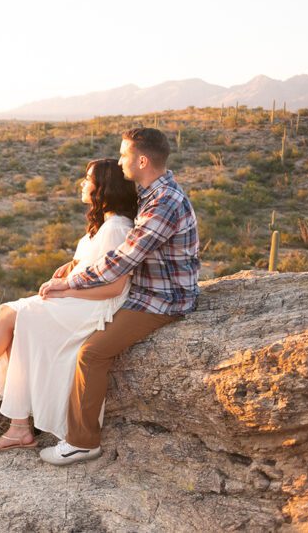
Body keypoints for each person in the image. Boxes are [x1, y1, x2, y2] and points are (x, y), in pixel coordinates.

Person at [0, 157, 138, 452]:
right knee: (14, 317)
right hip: (80, 299)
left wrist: (66, 291)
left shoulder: (117, 228)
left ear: (104, 187)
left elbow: (116, 286)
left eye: (88, 179)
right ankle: (18, 427)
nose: (83, 183)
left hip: (94, 308)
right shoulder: (104, 225)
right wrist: (71, 267)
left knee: (12, 314)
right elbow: (95, 265)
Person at [37, 127, 200, 466]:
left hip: (161, 300)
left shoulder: (164, 202)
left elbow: (123, 259)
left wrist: (71, 282)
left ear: (142, 160)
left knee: (91, 353)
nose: (121, 160)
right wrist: (75, 266)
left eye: (125, 155)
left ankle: (83, 442)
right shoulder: (151, 193)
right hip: (142, 289)